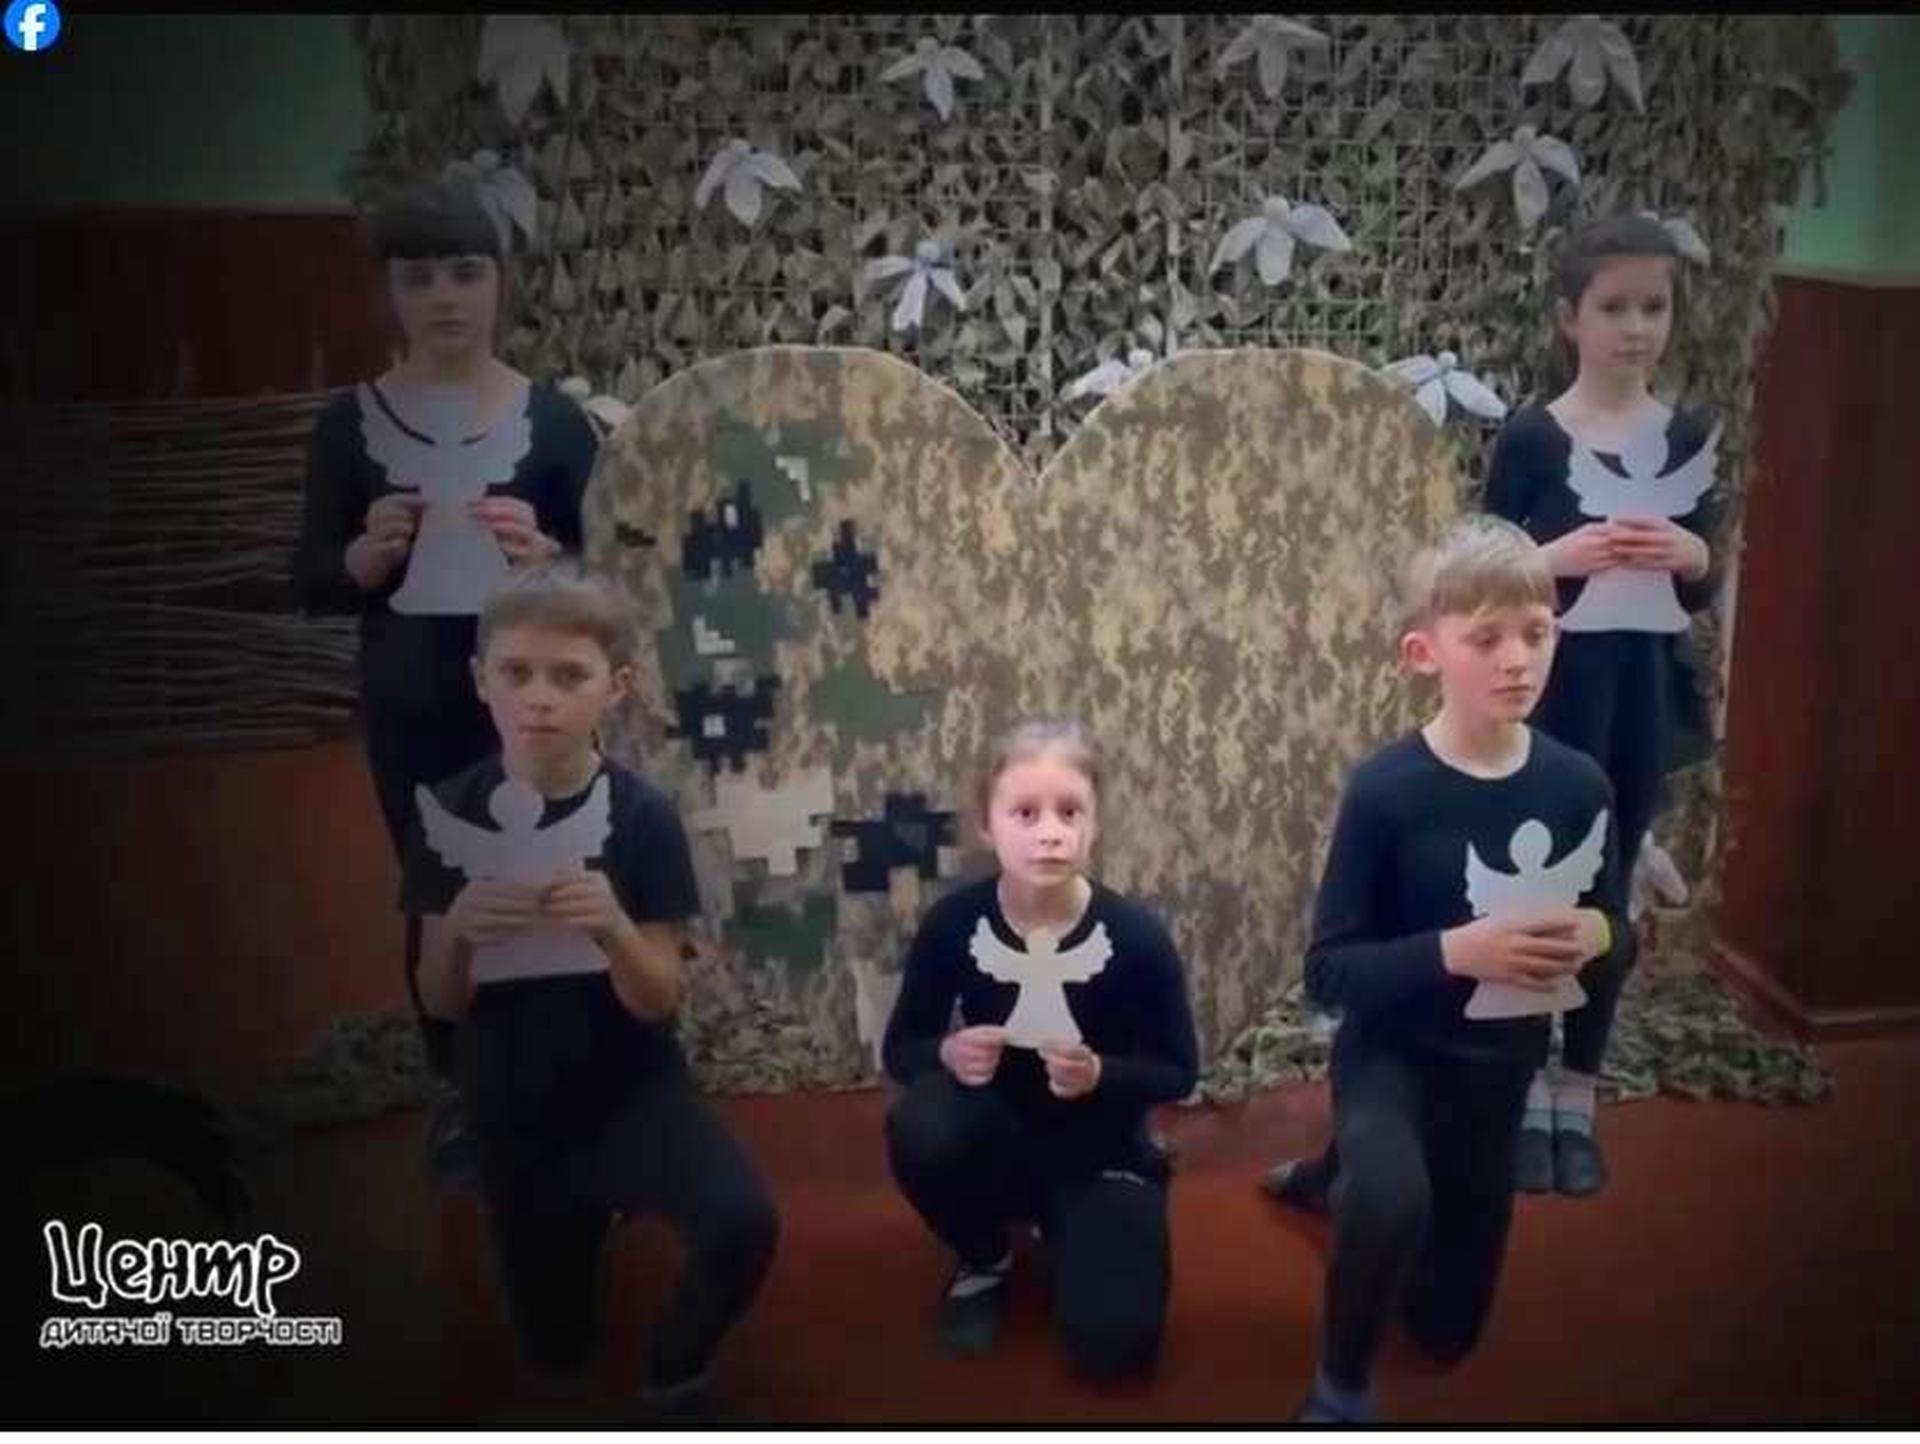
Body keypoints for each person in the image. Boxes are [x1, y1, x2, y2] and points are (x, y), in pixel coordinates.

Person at [406, 560, 778, 1420]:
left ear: (616, 688)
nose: (539, 698)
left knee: (743, 1222)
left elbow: (659, 999)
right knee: (556, 1349)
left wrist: (612, 926)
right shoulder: (448, 811)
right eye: (517, 673)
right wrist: (457, 930)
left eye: (568, 677)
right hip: (509, 1103)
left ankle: (675, 1373)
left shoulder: (642, 817)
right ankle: (575, 1223)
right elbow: (440, 1001)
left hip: (629, 1091)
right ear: (481, 681)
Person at [1282, 516, 1629, 1423]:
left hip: (1498, 1072)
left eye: (1536, 633)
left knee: (1445, 1331)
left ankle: (1333, 1173)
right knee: (1390, 1199)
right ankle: (1339, 1384)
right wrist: (1456, 951)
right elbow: (1328, 973)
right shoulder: (1385, 791)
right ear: (1423, 652)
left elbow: (1618, 932)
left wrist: (1596, 936)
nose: (1518, 659)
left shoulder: (1580, 787)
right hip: (1391, 1057)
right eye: (1486, 639)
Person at [293, 173, 598, 1181]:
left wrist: (548, 557)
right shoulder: (349, 427)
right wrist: (362, 559)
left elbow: (605, 585)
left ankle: (553, 1084)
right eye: (418, 277)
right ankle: (461, 1093)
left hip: (537, 705)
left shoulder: (557, 425)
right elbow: (311, 577)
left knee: (549, 885)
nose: (445, 297)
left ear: (502, 280)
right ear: (389, 291)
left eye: (465, 272)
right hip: (413, 703)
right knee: (441, 895)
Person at [1481, 212, 1721, 1197]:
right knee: (1529, 891)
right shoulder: (1534, 437)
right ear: (1567, 318)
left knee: (1606, 899)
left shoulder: (1686, 436)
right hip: (1544, 702)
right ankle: (1518, 1089)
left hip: (1637, 703)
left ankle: (1576, 1093)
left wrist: (1690, 553)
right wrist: (1555, 558)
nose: (1635, 327)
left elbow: (1702, 581)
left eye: (1653, 307)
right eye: (1613, 307)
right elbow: (1482, 577)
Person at [881, 718, 1198, 1380]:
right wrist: (948, 1053)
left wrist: (1101, 1073)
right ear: (987, 825)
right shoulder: (954, 924)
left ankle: (1082, 1225)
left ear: (1094, 824)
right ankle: (986, 1255)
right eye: (1025, 813)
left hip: (1101, 1148)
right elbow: (902, 1049)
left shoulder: (1135, 936)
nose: (1049, 832)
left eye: (1069, 811)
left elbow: (1178, 1071)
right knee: (920, 1123)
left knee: (1116, 1352)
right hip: (992, 1131)